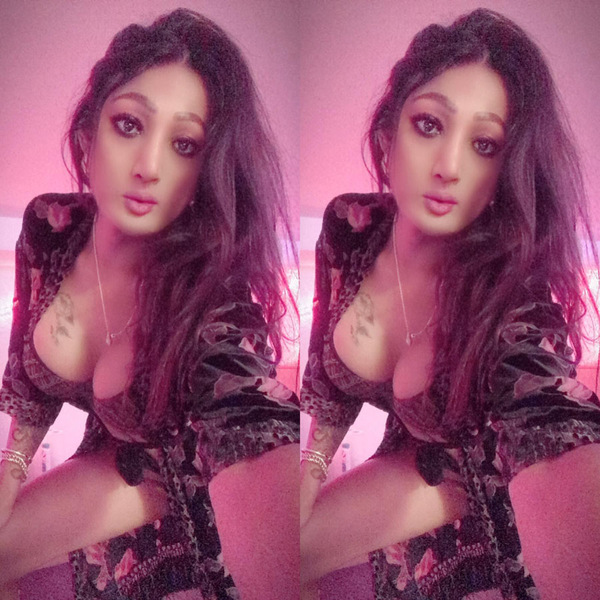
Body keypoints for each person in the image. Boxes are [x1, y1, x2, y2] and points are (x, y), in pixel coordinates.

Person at [300, 8, 600, 600]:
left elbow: (550, 415)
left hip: (489, 491)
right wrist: (310, 467)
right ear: (388, 134)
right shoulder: (348, 227)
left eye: (484, 144)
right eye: (430, 124)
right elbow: (329, 385)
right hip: (412, 457)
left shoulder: (512, 295)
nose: (449, 167)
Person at [0, 8, 299, 600]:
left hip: (186, 503)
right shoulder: (49, 228)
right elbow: (31, 390)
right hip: (105, 459)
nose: (149, 167)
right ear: (88, 133)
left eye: (184, 144)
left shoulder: (214, 305)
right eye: (130, 124)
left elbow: (253, 421)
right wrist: (10, 471)